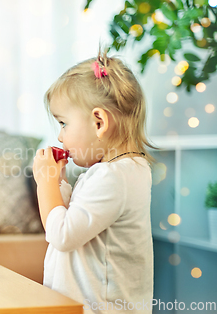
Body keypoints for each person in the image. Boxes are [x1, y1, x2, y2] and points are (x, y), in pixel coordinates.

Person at [33, 49, 154, 314]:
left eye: (63, 123)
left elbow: (62, 235)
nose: (61, 137)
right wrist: (60, 183)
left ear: (99, 122)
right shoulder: (123, 171)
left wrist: (46, 182)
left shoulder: (112, 176)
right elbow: (79, 220)